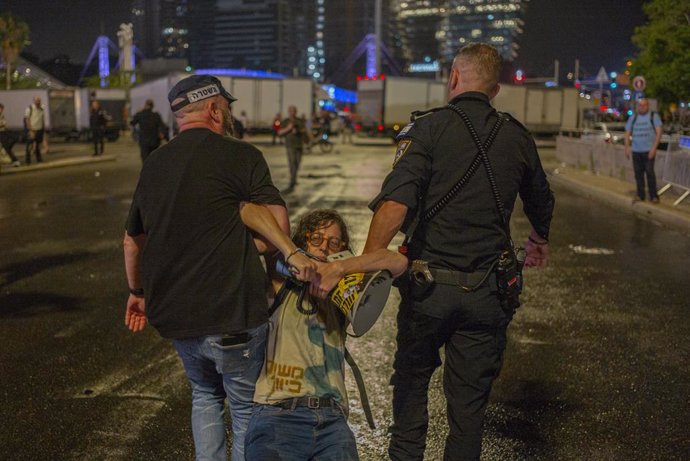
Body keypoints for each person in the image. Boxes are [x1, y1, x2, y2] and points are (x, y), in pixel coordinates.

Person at [361, 43, 555, 460]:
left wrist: (367, 266)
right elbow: (541, 199)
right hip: (488, 292)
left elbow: (395, 205)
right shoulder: (517, 136)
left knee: (411, 390)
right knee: (468, 410)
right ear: (495, 89)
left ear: (453, 78)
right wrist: (539, 241)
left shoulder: (427, 130)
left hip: (428, 290)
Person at [122, 74, 318, 461]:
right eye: (226, 107)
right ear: (213, 109)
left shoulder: (155, 163)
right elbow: (276, 225)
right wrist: (243, 249)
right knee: (245, 408)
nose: (229, 113)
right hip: (233, 312)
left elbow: (132, 240)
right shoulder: (241, 155)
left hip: (176, 315)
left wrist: (137, 293)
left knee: (204, 395)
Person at [245, 209, 408, 461]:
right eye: (315, 238)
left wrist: (340, 268)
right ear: (302, 241)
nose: (323, 248)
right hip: (277, 415)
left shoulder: (344, 294)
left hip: (332, 422)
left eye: (333, 242)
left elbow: (398, 262)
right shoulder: (280, 283)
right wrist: (294, 255)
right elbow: (257, 226)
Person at [624, 98, 663, 203]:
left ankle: (654, 196)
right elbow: (627, 133)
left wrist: (654, 148)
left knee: (650, 173)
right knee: (638, 174)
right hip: (636, 151)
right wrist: (627, 147)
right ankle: (640, 195)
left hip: (648, 151)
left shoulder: (653, 117)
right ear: (637, 106)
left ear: (648, 106)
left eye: (644, 105)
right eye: (640, 105)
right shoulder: (633, 117)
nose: (642, 107)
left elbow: (659, 133)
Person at [278, 105, 307, 192]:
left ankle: (294, 177)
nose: (292, 112)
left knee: (297, 163)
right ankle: (292, 181)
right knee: (292, 163)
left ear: (296, 112)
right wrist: (289, 128)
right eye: (291, 111)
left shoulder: (299, 121)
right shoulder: (286, 121)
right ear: (288, 112)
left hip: (299, 145)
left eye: (294, 111)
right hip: (290, 145)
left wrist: (298, 131)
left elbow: (304, 130)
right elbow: (280, 132)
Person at [129, 99, 165, 163]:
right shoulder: (156, 115)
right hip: (155, 141)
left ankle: (146, 172)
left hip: (144, 141)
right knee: (154, 159)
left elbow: (132, 123)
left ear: (145, 105)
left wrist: (138, 112)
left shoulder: (140, 114)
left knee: (145, 160)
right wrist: (162, 134)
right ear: (153, 106)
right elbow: (162, 126)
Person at [24, 96, 45, 165]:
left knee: (38, 146)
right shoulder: (30, 108)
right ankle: (28, 161)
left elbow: (42, 118)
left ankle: (39, 160)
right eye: (37, 100)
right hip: (32, 130)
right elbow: (27, 120)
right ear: (34, 101)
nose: (38, 102)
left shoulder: (42, 108)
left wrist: (43, 128)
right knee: (29, 146)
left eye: (39, 100)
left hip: (39, 129)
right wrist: (30, 130)